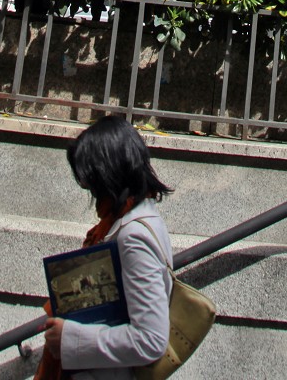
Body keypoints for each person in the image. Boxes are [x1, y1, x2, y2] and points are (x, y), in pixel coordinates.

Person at [42, 115, 174, 379]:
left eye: (91, 180)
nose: (89, 189)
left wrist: (71, 338)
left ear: (108, 173)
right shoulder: (135, 222)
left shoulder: (134, 236)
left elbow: (150, 339)